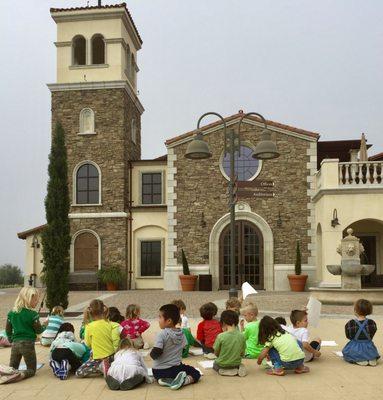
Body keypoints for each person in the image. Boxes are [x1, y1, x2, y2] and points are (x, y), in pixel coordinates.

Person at [150, 304, 201, 390]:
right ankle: (184, 381)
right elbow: (184, 349)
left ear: (169, 321)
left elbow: (155, 353)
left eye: (160, 317)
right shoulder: (182, 333)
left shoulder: (161, 334)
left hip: (158, 372)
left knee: (172, 371)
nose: (158, 320)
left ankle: (164, 380)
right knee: (195, 373)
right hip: (176, 370)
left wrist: (151, 354)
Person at [1, 287, 44, 384]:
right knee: (32, 370)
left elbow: (8, 329)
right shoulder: (33, 314)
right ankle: (21, 375)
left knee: (12, 367)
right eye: (35, 299)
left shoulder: (11, 313)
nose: (37, 302)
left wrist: (10, 339)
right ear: (28, 298)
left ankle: (7, 374)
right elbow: (39, 330)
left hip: (15, 344)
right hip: (28, 345)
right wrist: (45, 325)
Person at [76, 299, 120, 378]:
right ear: (103, 309)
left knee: (79, 372)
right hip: (111, 356)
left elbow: (88, 344)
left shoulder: (89, 326)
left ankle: (100, 367)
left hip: (98, 357)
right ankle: (108, 366)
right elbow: (115, 339)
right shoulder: (109, 324)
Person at [342, 299, 380, 366]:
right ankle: (370, 359)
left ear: (355, 310)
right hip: (369, 347)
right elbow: (372, 335)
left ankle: (359, 359)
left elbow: (348, 336)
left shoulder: (350, 323)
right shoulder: (372, 323)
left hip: (355, 347)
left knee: (346, 353)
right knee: (371, 352)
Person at [213, 310, 247, 376]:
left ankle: (224, 371)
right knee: (240, 364)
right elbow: (242, 353)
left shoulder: (221, 336)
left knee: (215, 365)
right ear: (236, 322)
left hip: (222, 365)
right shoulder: (242, 336)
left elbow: (216, 352)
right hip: (235, 364)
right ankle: (238, 368)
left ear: (223, 323)